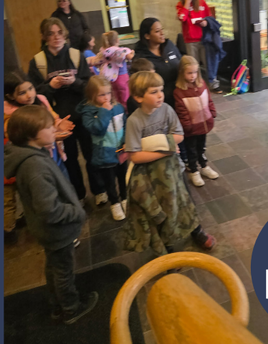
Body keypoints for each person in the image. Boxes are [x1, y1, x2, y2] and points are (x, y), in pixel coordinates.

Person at [4, 106, 98, 326]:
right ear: (32, 135)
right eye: (49, 127)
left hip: (47, 231)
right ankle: (71, 308)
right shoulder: (34, 166)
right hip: (56, 230)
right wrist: (76, 212)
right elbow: (49, 210)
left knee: (54, 266)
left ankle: (57, 306)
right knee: (64, 270)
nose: (54, 129)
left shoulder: (29, 153)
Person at [123, 70, 216, 255]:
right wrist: (165, 148)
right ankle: (167, 246)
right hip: (150, 175)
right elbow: (134, 155)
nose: (160, 95)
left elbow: (179, 135)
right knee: (161, 209)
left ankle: (195, 230)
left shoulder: (166, 109)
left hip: (174, 168)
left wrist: (154, 146)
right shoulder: (134, 121)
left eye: (161, 90)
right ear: (138, 97)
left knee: (184, 200)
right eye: (153, 92)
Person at [28, 17, 96, 199]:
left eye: (59, 33)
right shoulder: (38, 62)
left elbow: (90, 86)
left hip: (83, 115)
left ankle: (99, 190)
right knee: (70, 160)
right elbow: (32, 96)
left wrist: (74, 82)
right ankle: (79, 195)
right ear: (44, 37)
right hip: (57, 121)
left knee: (92, 155)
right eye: (50, 34)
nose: (56, 37)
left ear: (64, 34)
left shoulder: (76, 55)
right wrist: (51, 86)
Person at [4, 70, 73, 234]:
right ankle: (59, 230)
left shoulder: (40, 100)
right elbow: (19, 138)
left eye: (31, 89)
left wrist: (58, 124)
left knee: (63, 183)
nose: (29, 95)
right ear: (11, 96)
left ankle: (69, 214)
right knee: (47, 196)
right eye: (22, 92)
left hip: (54, 153)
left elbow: (52, 119)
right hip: (37, 160)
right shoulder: (11, 116)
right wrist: (52, 134)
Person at [77, 75, 127, 221]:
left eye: (108, 93)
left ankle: (124, 198)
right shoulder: (89, 113)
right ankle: (115, 203)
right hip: (105, 153)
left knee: (123, 177)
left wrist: (125, 141)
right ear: (93, 95)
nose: (106, 97)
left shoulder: (118, 107)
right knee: (109, 181)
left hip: (120, 150)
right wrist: (104, 111)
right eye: (101, 94)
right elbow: (97, 129)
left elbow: (125, 125)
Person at [172, 55, 219, 187]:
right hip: (191, 129)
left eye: (195, 72)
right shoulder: (179, 91)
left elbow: (208, 99)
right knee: (191, 150)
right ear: (182, 73)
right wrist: (187, 126)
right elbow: (182, 111)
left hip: (203, 124)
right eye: (189, 73)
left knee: (201, 148)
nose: (193, 75)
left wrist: (212, 112)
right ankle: (194, 171)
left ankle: (204, 166)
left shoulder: (202, 84)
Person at [132, 17, 182, 106]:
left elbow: (181, 62)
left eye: (162, 30)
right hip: (161, 102)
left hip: (180, 96)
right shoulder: (141, 57)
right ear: (147, 36)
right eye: (157, 31)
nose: (162, 33)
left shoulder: (169, 46)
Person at [175, 0, 210, 81]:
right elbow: (182, 18)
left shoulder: (202, 2)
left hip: (204, 38)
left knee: (208, 62)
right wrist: (187, 1)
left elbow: (210, 18)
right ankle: (196, 82)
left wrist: (205, 22)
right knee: (194, 64)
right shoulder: (180, 5)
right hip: (190, 40)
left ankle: (212, 82)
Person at [95, 31, 134, 107]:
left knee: (115, 98)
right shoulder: (121, 50)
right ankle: (126, 113)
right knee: (125, 98)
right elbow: (130, 57)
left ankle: (118, 113)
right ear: (117, 40)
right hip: (122, 77)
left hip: (110, 78)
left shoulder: (103, 51)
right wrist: (132, 53)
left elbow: (97, 61)